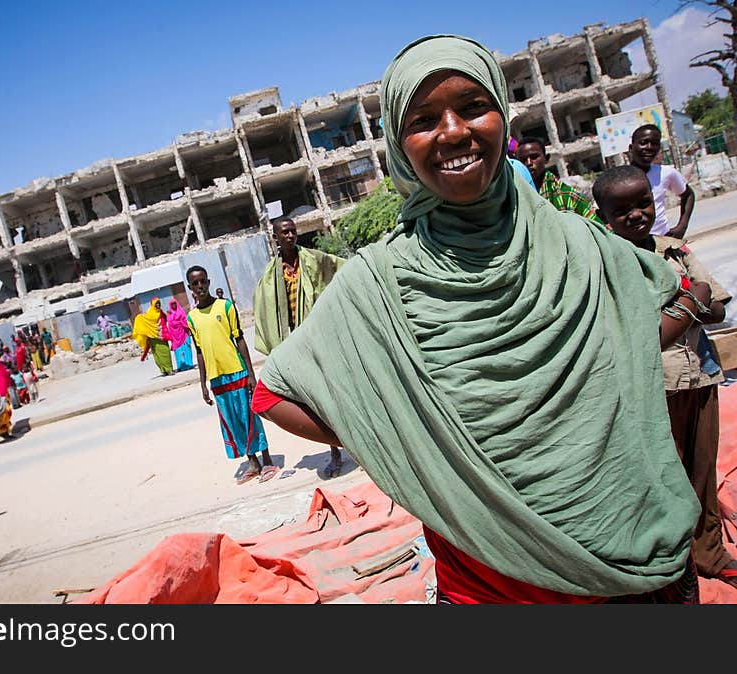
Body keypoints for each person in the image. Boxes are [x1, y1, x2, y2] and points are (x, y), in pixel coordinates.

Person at [252, 35, 702, 603]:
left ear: (502, 117)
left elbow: (667, 299)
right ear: (397, 144)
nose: (453, 132)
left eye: (472, 107)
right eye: (422, 119)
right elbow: (271, 395)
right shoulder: (377, 282)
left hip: (638, 560)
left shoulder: (578, 244)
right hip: (492, 588)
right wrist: (397, 436)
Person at [592, 164, 737, 590]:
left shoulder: (674, 250)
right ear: (605, 218)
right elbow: (640, 335)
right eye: (623, 211)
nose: (636, 215)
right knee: (663, 479)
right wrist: (692, 298)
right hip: (653, 390)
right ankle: (673, 566)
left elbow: (718, 309)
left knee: (702, 469)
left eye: (643, 204)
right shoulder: (608, 265)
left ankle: (709, 552)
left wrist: (691, 302)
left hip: (701, 376)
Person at [253, 216, 346, 477]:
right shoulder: (270, 277)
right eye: (285, 232)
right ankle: (335, 447)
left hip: (318, 341)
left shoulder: (314, 261)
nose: (291, 236)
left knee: (331, 396)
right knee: (310, 400)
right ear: (276, 238)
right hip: (292, 346)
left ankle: (341, 447)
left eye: (293, 231)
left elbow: (342, 270)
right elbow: (264, 310)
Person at [187, 266, 277, 485]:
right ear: (190, 288)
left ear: (208, 282)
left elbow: (239, 339)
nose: (200, 287)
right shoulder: (192, 318)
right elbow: (199, 352)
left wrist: (250, 373)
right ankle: (252, 462)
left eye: (202, 282)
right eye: (195, 284)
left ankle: (267, 460)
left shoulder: (225, 306)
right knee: (233, 420)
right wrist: (203, 385)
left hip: (237, 371)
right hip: (217, 379)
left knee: (249, 416)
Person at [515, 137, 603, 223]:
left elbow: (596, 226)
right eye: (523, 160)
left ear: (546, 158)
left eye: (534, 157)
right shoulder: (516, 199)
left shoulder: (567, 195)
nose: (529, 163)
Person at [629, 124, 695, 239]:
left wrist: (682, 227)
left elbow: (688, 195)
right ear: (631, 147)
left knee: (689, 258)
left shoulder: (666, 173)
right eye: (644, 142)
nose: (649, 147)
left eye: (655, 143)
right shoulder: (619, 179)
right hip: (634, 246)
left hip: (663, 240)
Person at [132, 298, 174, 376]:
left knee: (166, 352)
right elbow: (142, 320)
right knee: (157, 355)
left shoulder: (161, 312)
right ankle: (163, 370)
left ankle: (169, 369)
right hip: (153, 338)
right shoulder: (148, 314)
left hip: (162, 336)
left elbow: (165, 320)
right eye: (156, 304)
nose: (158, 305)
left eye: (159, 303)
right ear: (152, 305)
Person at [166, 298, 195, 371]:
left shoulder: (181, 312)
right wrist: (179, 323)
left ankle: (189, 364)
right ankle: (181, 366)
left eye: (174, 303)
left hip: (184, 334)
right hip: (175, 337)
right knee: (178, 351)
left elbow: (185, 322)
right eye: (172, 304)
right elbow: (170, 324)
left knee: (187, 349)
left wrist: (180, 323)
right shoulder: (169, 314)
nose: (174, 305)